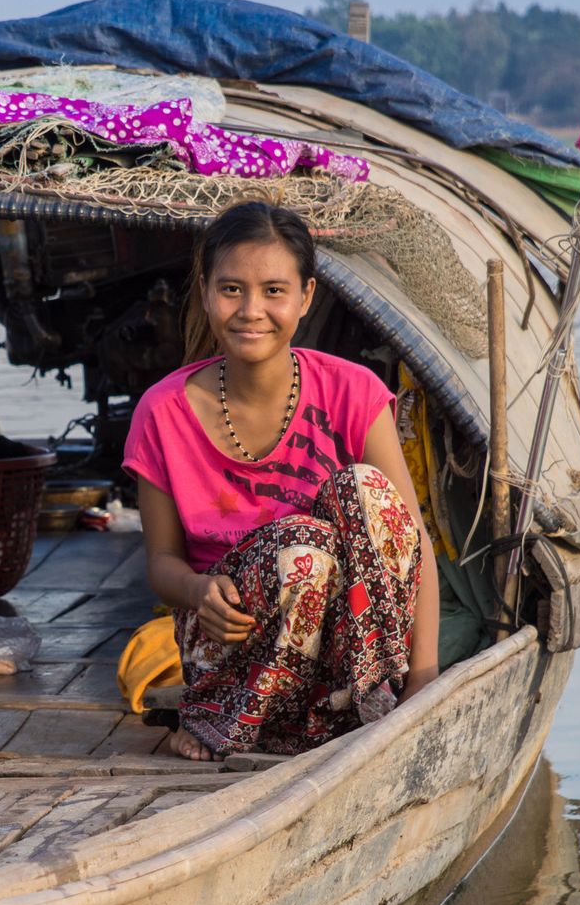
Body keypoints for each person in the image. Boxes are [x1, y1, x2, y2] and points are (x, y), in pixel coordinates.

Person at [124, 201, 440, 761]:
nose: (251, 311)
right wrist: (198, 591)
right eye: (231, 290)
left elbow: (412, 544)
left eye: (274, 290)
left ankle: (370, 701)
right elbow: (161, 564)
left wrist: (424, 681)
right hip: (229, 645)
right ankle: (225, 721)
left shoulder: (354, 392)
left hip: (343, 659)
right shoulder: (162, 411)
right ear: (204, 292)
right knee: (304, 554)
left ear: (306, 298)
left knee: (363, 491)